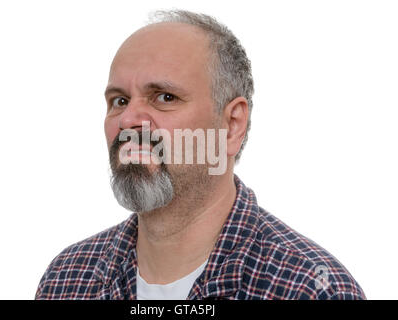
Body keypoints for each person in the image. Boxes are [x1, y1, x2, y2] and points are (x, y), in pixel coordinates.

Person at [35, 9, 366, 300]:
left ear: (232, 124)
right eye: (119, 100)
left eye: (164, 97)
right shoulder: (67, 279)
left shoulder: (311, 288)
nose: (128, 120)